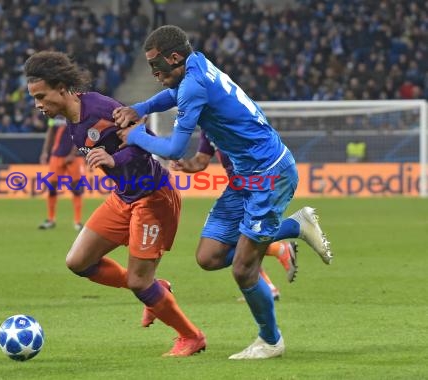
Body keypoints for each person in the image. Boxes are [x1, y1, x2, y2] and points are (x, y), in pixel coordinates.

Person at [113, 25, 332, 359]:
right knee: (209, 256)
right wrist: (141, 108)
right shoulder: (197, 64)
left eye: (157, 68)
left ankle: (271, 341)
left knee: (243, 268)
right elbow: (176, 95)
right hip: (245, 176)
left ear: (175, 57)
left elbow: (173, 148)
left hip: (269, 173)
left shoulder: (194, 83)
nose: (155, 74)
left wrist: (136, 136)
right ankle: (295, 226)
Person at [24, 50, 206, 357]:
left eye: (41, 97)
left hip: (152, 197)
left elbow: (144, 140)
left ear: (61, 88)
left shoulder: (101, 109)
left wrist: (114, 157)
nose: (39, 105)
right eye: (34, 98)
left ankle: (191, 336)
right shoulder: (72, 118)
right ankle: (156, 288)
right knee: (78, 262)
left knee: (138, 282)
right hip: (124, 197)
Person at [171, 131, 299, 300]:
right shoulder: (208, 129)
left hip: (253, 183)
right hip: (237, 186)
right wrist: (185, 165)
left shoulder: (234, 118)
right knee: (238, 239)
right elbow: (201, 161)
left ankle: (286, 239)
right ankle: (270, 276)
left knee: (221, 246)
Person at [38, 116, 85, 231]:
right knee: (52, 188)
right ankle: (50, 219)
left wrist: (73, 153)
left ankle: (78, 222)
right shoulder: (54, 116)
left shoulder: (74, 114)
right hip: (57, 155)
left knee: (76, 188)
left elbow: (80, 135)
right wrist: (45, 152)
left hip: (74, 158)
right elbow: (50, 133)